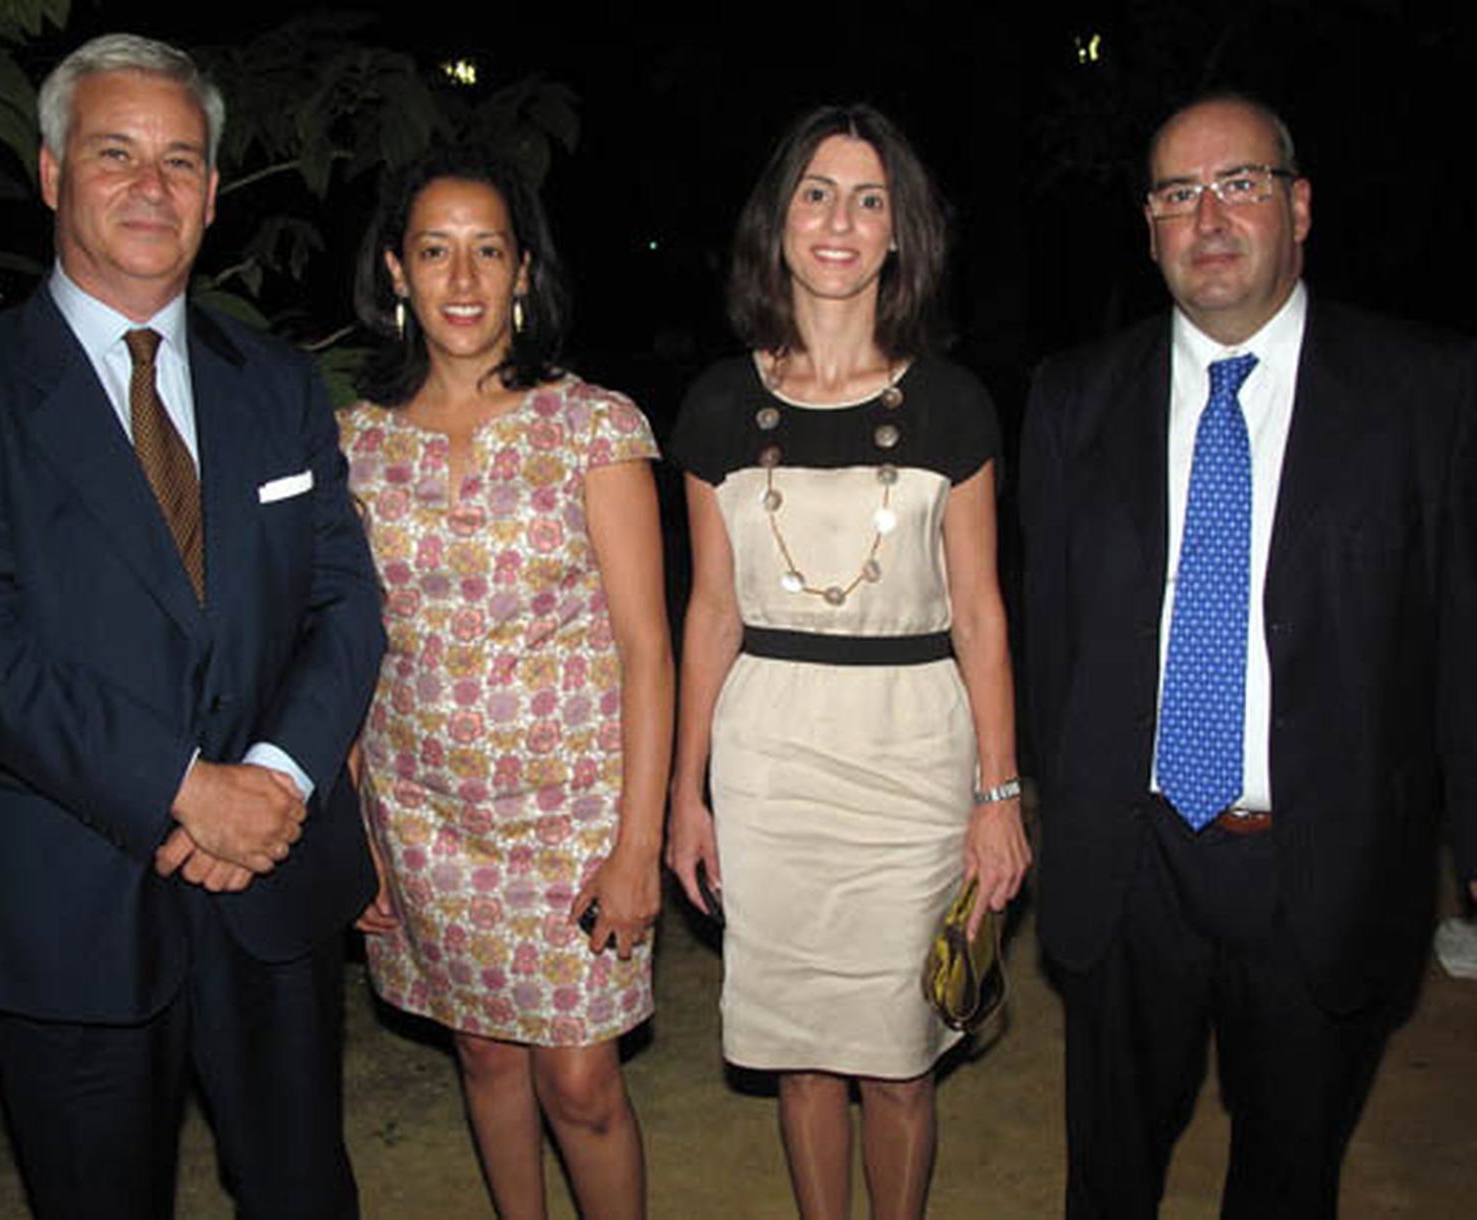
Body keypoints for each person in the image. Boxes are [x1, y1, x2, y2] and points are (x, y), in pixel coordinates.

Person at [0, 32, 385, 1220]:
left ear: (210, 192)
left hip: (272, 886)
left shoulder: (277, 384)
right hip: (68, 895)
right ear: (54, 173)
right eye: (116, 154)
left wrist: (272, 778)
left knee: (305, 1194)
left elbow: (343, 600)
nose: (151, 186)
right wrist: (182, 787)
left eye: (180, 160)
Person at [1021, 93, 1477, 1218]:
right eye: (1177, 194)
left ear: (1299, 206)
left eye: (1240, 184)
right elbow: (1049, 630)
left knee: (1287, 1178)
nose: (1209, 217)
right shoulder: (1073, 397)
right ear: (1148, 228)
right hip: (1130, 865)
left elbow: (1462, 629)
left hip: (1323, 865)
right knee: (1108, 1175)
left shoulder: (1427, 390)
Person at [665, 104, 1030, 1219]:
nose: (840, 221)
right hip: (769, 761)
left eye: (869, 201)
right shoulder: (719, 404)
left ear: (898, 232)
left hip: (913, 755)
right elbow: (710, 612)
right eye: (817, 194)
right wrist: (686, 792)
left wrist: (999, 795)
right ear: (778, 222)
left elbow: (980, 613)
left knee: (899, 1057)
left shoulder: (953, 403)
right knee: (800, 1051)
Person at [338, 143, 673, 1219]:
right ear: (396, 270)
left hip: (573, 816)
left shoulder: (592, 426)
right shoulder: (353, 443)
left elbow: (647, 647)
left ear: (524, 270)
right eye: (435, 250)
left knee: (580, 1082)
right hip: (421, 812)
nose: (463, 278)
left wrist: (638, 845)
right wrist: (360, 829)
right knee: (483, 1053)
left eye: (488, 250)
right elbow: (347, 646)